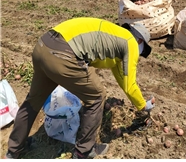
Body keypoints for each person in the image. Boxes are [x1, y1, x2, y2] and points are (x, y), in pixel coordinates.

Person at [4, 17, 155, 159]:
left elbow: (122, 78)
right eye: (142, 50)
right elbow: (130, 84)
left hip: (43, 45)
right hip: (63, 54)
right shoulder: (131, 43)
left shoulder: (115, 35)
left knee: (33, 101)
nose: (140, 54)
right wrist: (143, 106)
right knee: (97, 97)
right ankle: (84, 151)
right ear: (140, 40)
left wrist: (138, 102)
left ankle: (15, 150)